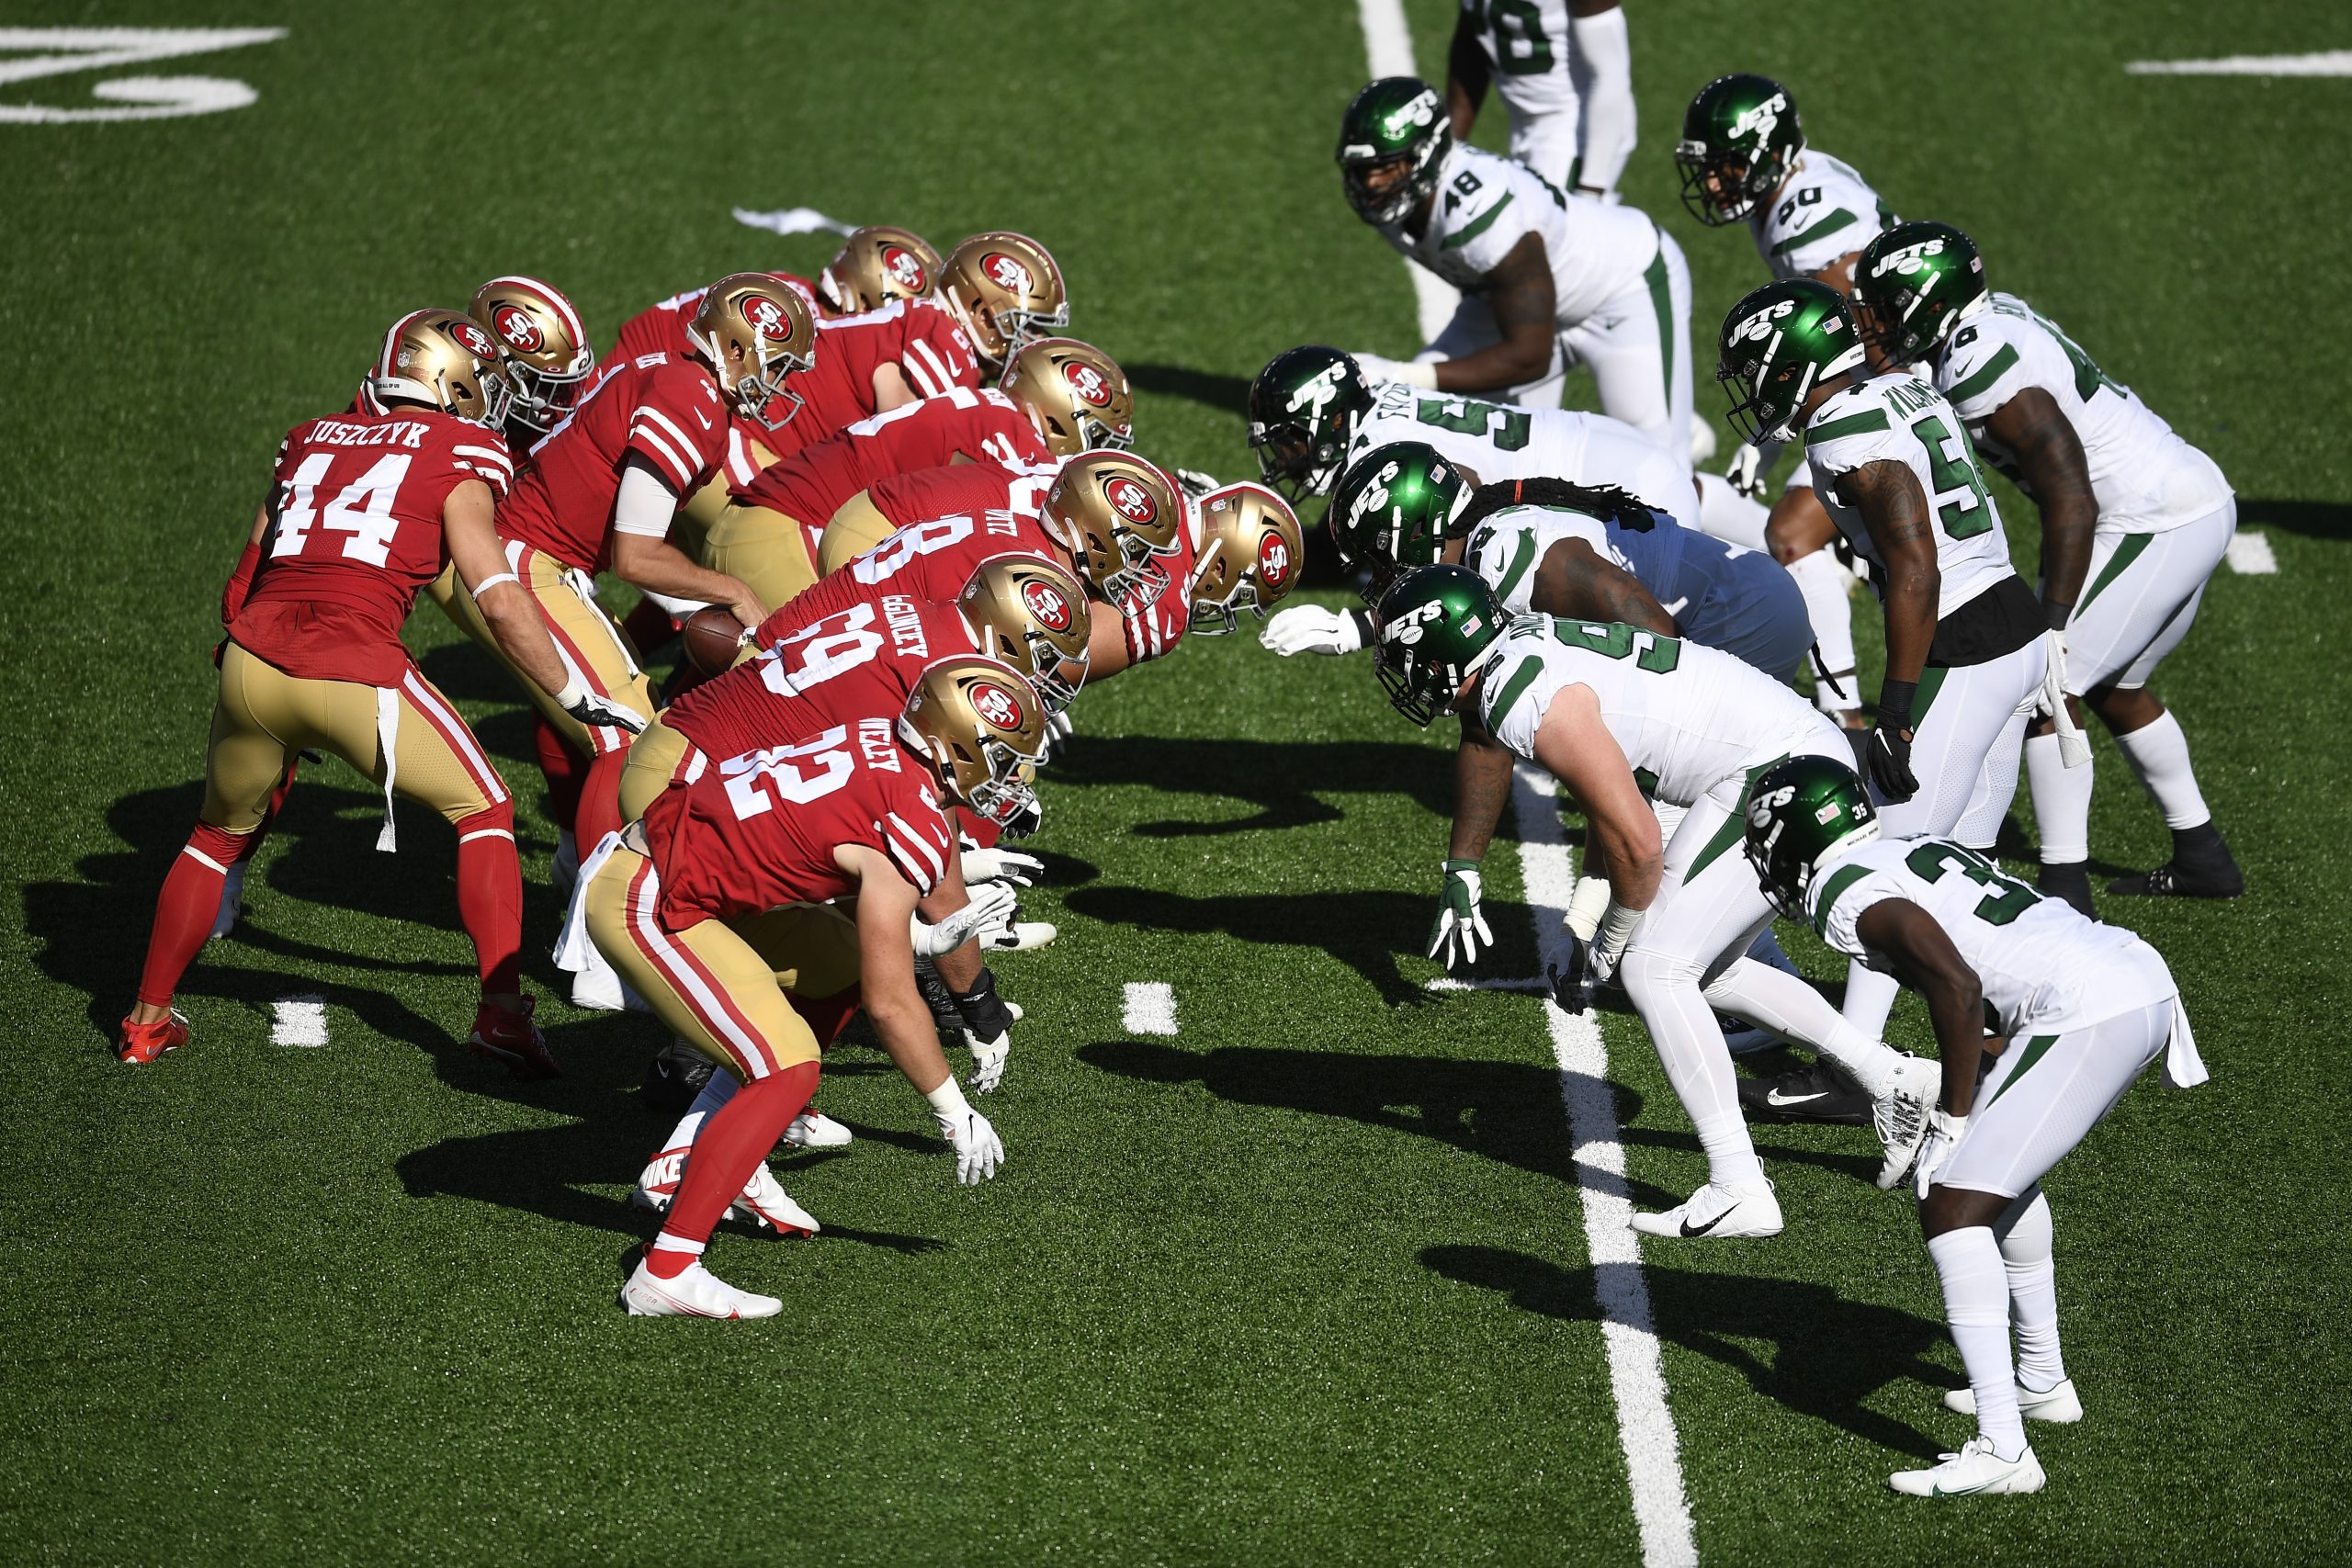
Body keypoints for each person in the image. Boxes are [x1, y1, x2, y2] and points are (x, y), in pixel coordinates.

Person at [120, 310, 637, 1072]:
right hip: (356, 667)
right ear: (452, 385)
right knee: (486, 810)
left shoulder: (311, 436)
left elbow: (253, 556)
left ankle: (145, 1020)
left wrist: (237, 640)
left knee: (213, 835)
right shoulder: (465, 446)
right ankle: (500, 1015)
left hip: (254, 661)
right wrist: (568, 690)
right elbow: (496, 592)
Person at [1370, 566, 1939, 1235]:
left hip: (1772, 770)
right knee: (1706, 968)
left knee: (1653, 964)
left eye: (1407, 658)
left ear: (1439, 651)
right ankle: (1895, 1078)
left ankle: (1739, 1182)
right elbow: (1613, 792)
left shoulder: (1517, 696)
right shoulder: (1523, 647)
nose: (1404, 674)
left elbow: (1638, 844)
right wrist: (1580, 918)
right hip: (1773, 753)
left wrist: (1607, 943)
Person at [1744, 754, 2204, 1495]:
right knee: (1997, 1182)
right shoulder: (1898, 851)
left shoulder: (1841, 890)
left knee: (1952, 1203)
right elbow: (1976, 990)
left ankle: (2003, 1450)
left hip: (2089, 1002)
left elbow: (1956, 986)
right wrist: (1975, 1085)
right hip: (2124, 975)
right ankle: (2042, 1380)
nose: (1762, 857)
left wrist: (1952, 1118)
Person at [588, 659, 1046, 1315]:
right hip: (649, 896)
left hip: (669, 865)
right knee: (788, 1069)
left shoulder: (882, 739)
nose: (1010, 774)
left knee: (835, 968)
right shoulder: (910, 821)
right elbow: (891, 1003)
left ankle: (687, 1159)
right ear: (956, 748)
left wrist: (930, 920)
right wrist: (952, 1109)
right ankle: (667, 1268)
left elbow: (825, 838)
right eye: (1001, 754)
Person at [1853, 221, 2243, 909]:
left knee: (2049, 685)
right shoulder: (1975, 332)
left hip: (2149, 516)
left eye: (1887, 306)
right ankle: (2203, 853)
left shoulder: (1980, 359)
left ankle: (2065, 888)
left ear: (1929, 302)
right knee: (2115, 686)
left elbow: (2072, 499)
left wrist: (2054, 624)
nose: (1875, 320)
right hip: (2178, 500)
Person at [1718, 280, 2048, 1064]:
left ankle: (1860, 1061)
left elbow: (1915, 569)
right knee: (1965, 863)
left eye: (1762, 369)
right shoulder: (1905, 387)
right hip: (2015, 621)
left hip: (1961, 645)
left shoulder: (1845, 435)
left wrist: (1893, 710)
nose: (1756, 388)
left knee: (1882, 865)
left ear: (1798, 365)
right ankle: (2005, 1026)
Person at [1335, 77, 1698, 466]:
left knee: (1660, 473)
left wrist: (1409, 374)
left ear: (1427, 155)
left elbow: (1530, 355)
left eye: (1386, 168)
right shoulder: (1400, 205)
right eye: (1363, 169)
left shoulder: (1482, 209)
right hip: (1514, 301)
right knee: (1405, 415)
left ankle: (1749, 522)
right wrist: (1407, 382)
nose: (1372, 183)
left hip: (1621, 290)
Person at [1445, 0, 1635, 201]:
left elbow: (1611, 76)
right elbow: (1472, 42)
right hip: (1525, 123)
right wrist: (1448, 150)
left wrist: (1590, 189)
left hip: (1577, 129)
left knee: (1535, 227)